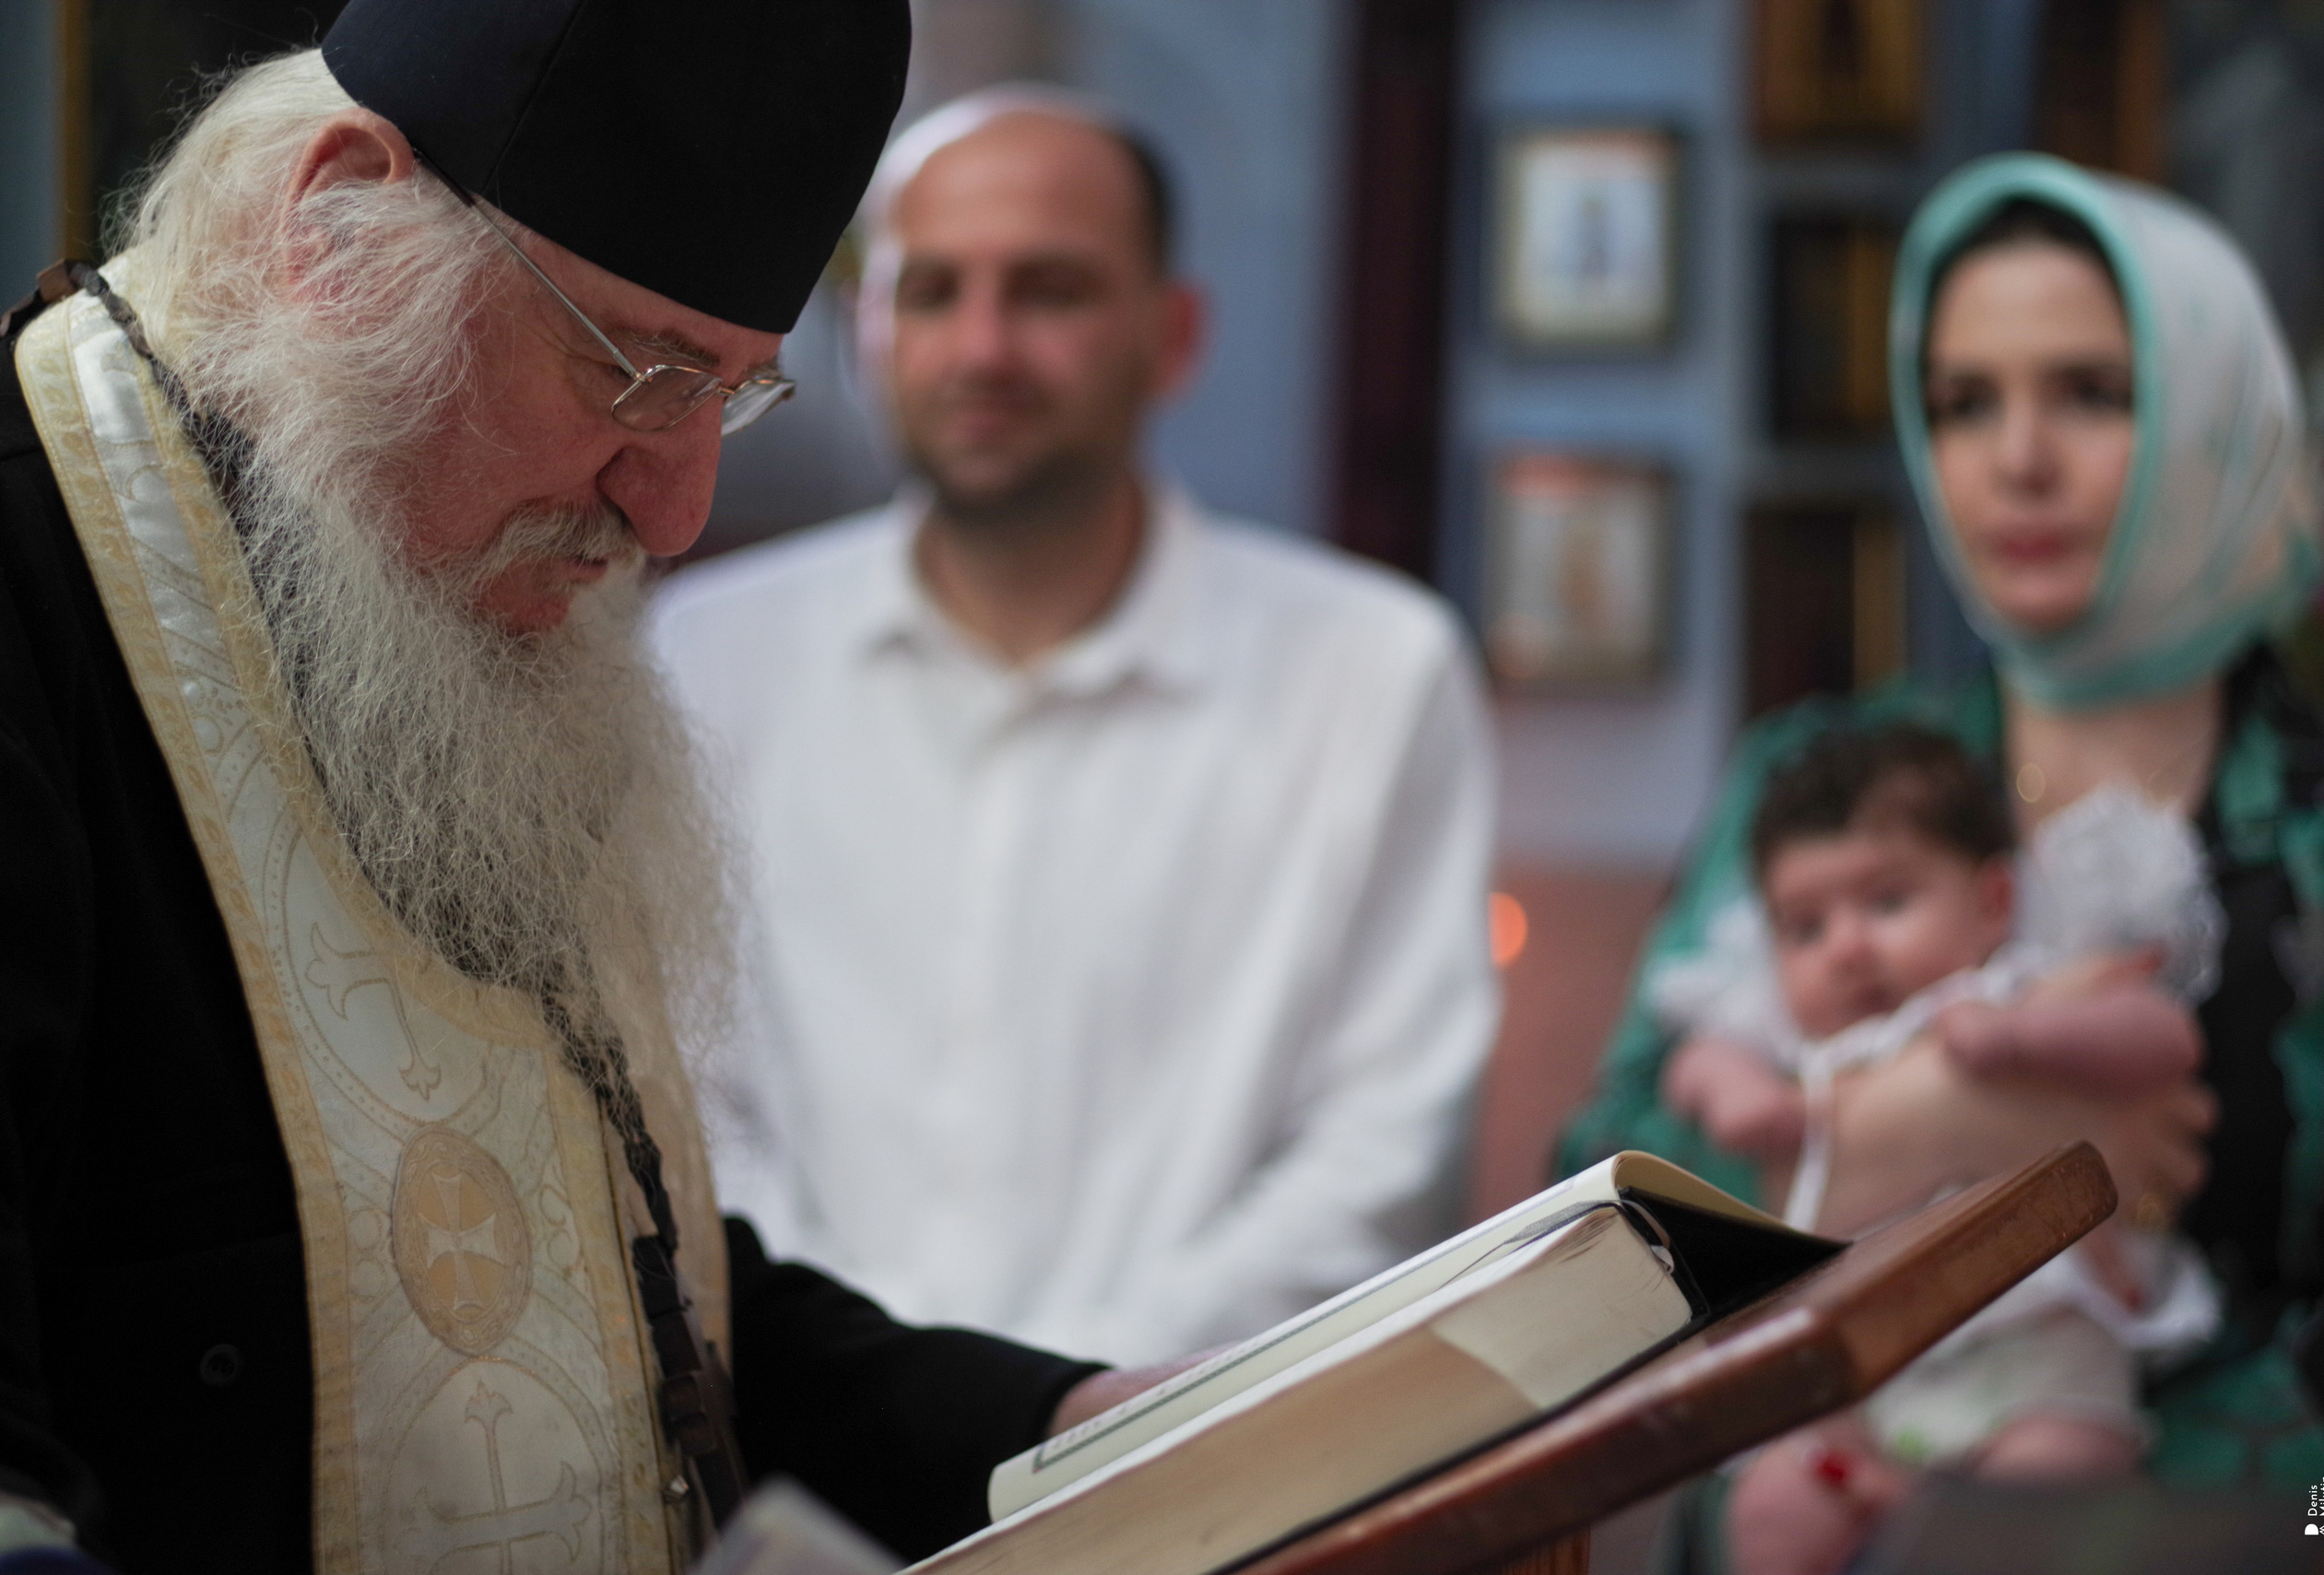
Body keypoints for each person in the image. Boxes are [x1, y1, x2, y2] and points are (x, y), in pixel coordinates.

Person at [0, 6, 1173, 1570]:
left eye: (734, 394)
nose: (674, 512)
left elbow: (589, 1282)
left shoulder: (448, 606)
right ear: (338, 228)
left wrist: (1086, 1420)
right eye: (636, 371)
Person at [1560, 154, 2324, 1575]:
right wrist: (1915, 1127)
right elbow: (1593, 1211)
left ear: (2219, 415)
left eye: (2093, 393)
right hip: (1823, 1487)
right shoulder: (1824, 773)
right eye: (1963, 402)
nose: (2018, 460)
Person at [651, 88, 1498, 1366]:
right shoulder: (699, 655)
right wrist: (887, 1396)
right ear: (863, 329)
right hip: (793, 1458)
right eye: (929, 291)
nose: (981, 347)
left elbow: (1385, 1151)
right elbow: (673, 1098)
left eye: (1048, 290)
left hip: (1200, 1481)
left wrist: (1063, 1416)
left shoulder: (1375, 671)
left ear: (1175, 334)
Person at [1658, 723, 2224, 1568]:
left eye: (1887, 903)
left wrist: (2025, 1043)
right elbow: (1693, 1062)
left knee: (2054, 1480)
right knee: (1770, 1514)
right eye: (1804, 927)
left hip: (2032, 1364)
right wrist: (1738, 1096)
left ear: (1992, 901)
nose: (1846, 947)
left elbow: (2163, 1034)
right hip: (1855, 1382)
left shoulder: (2019, 985)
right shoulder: (1782, 1035)